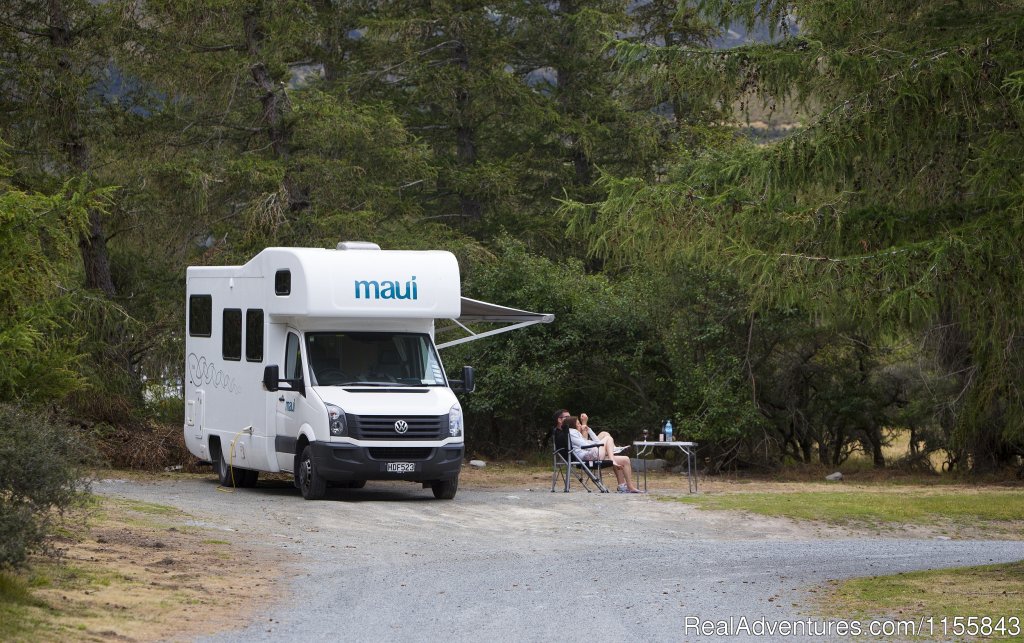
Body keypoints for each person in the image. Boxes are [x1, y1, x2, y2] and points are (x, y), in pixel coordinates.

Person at [564, 416, 642, 493]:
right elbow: (585, 446)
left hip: (592, 455)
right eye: (578, 423)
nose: (580, 425)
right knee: (608, 438)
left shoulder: (576, 433)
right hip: (586, 457)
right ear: (572, 425)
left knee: (625, 459)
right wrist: (600, 447)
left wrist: (589, 430)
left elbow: (597, 442)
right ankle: (613, 456)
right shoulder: (572, 432)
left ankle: (629, 486)